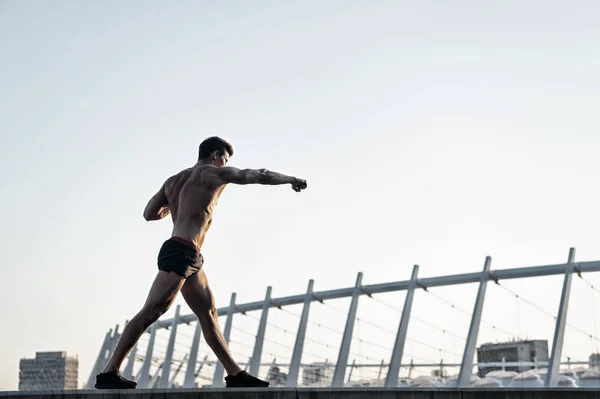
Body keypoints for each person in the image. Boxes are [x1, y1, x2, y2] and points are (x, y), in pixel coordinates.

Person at [94, 137, 307, 389]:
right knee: (152, 310)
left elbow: (150, 214)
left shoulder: (174, 180)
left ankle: (235, 374)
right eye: (225, 160)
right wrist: (291, 180)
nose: (225, 166)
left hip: (189, 254)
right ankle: (110, 371)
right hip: (181, 251)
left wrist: (175, 207)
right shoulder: (210, 174)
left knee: (208, 314)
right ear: (216, 155)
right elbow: (256, 174)